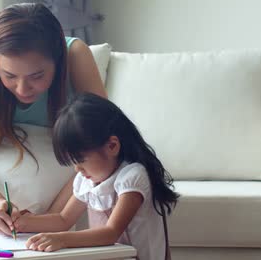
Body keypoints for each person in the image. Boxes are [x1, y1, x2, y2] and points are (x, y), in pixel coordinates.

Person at [0, 3, 107, 235]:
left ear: (58, 62)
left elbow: (102, 145)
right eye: (9, 75)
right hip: (1, 151)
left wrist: (52, 221)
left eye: (36, 76)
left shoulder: (75, 55)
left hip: (61, 157)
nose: (23, 88)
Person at [14, 92, 180, 260]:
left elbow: (111, 232)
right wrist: (21, 223)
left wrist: (62, 239)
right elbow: (63, 219)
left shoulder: (132, 176)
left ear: (112, 146)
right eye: (72, 162)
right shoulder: (86, 181)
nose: (77, 169)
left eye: (80, 160)